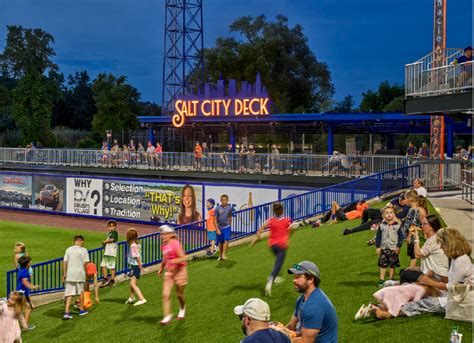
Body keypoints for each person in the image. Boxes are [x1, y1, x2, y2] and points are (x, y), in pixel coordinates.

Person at [400, 228, 473, 317]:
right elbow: (451, 280)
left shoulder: (460, 261)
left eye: (442, 244)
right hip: (457, 295)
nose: (441, 247)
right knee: (421, 292)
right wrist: (436, 276)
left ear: (449, 243)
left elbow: (452, 287)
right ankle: (393, 306)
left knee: (423, 302)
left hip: (462, 299)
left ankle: (388, 313)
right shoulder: (457, 258)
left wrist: (431, 282)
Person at [287, 261, 338, 342]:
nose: (294, 280)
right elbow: (291, 326)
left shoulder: (314, 306)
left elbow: (306, 341)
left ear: (310, 279)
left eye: (298, 277)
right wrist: (276, 332)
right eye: (294, 276)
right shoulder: (302, 299)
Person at [251, 202, 294, 296]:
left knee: (278, 261)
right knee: (279, 263)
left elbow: (261, 228)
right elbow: (292, 228)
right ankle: (271, 279)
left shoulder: (270, 220)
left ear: (274, 211)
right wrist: (290, 233)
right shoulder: (287, 220)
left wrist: (257, 238)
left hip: (272, 246)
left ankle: (276, 275)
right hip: (282, 245)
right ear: (282, 210)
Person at [398, 214, 449, 284]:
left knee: (405, 274)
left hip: (437, 275)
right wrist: (417, 268)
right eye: (422, 224)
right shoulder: (433, 238)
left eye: (425, 224)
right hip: (431, 271)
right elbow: (430, 261)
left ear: (432, 226)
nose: (422, 226)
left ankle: (404, 291)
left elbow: (417, 255)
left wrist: (416, 239)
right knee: (404, 271)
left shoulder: (434, 240)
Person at [354, 283, 440, 320]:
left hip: (391, 291)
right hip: (395, 295)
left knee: (387, 307)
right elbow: (415, 302)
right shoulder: (422, 290)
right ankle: (371, 310)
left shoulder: (416, 285)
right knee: (392, 312)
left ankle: (371, 307)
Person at [157, 225, 188, 325]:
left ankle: (182, 309)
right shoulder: (164, 245)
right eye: (162, 234)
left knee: (179, 294)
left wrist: (174, 261)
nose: (163, 236)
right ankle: (167, 316)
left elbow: (183, 258)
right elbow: (165, 258)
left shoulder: (175, 243)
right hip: (169, 272)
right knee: (165, 295)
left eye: (165, 234)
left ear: (170, 234)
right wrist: (161, 268)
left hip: (180, 271)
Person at [375, 206, 403, 288]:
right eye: (387, 213)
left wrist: (398, 246)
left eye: (391, 212)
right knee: (382, 265)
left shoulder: (397, 226)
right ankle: (381, 279)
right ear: (383, 216)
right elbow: (378, 237)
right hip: (384, 248)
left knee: (392, 265)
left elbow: (401, 237)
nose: (389, 214)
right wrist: (378, 247)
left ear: (394, 214)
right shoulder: (381, 226)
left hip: (393, 249)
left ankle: (391, 279)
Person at [63, 235, 90, 319]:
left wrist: (64, 273)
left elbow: (65, 262)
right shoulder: (84, 250)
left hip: (70, 274)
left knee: (69, 293)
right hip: (79, 274)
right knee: (81, 292)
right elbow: (85, 263)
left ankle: (66, 312)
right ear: (80, 241)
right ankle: (81, 310)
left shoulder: (68, 249)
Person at [402, 191, 427, 268]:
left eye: (405, 199)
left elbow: (414, 224)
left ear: (409, 199)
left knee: (413, 253)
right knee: (411, 253)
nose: (404, 201)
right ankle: (412, 267)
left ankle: (411, 268)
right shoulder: (413, 209)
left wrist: (409, 236)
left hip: (412, 236)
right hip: (411, 235)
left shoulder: (414, 210)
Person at [124, 228, 147, 306]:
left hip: (135, 266)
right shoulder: (136, 244)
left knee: (133, 283)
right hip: (135, 265)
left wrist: (140, 266)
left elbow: (137, 256)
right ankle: (132, 297)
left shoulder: (133, 245)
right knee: (132, 282)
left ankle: (141, 298)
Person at [16, 256, 39, 330]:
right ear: (27, 264)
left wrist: (30, 300)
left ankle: (20, 325)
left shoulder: (21, 270)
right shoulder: (25, 272)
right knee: (28, 308)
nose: (31, 262)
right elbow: (25, 282)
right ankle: (25, 326)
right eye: (30, 261)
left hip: (21, 292)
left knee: (20, 309)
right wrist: (33, 287)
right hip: (21, 293)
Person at [100, 220, 119, 288]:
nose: (110, 228)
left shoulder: (114, 233)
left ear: (115, 227)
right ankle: (105, 279)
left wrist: (105, 242)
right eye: (109, 226)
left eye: (112, 226)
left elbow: (112, 240)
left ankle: (112, 280)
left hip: (111, 253)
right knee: (103, 265)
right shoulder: (110, 233)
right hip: (107, 252)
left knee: (111, 267)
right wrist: (104, 244)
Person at [216, 194, 233, 260]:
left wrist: (230, 224)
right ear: (220, 200)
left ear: (227, 200)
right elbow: (214, 218)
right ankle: (220, 255)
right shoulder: (217, 208)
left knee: (226, 240)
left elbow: (230, 216)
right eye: (222, 200)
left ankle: (223, 254)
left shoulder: (230, 208)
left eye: (225, 200)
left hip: (227, 227)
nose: (224, 201)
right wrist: (217, 228)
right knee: (221, 242)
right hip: (219, 228)